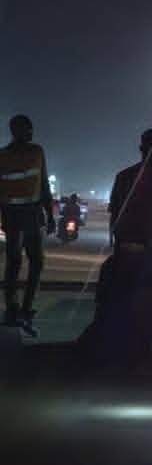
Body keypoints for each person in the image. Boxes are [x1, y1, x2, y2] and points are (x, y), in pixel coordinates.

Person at [83, 128, 152, 366]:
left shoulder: (123, 176)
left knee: (117, 300)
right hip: (151, 252)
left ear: (140, 147)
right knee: (150, 306)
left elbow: (115, 214)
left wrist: (117, 244)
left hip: (125, 248)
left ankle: (113, 347)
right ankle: (137, 350)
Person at [0, 114, 55, 333]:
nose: (31, 132)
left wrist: (50, 215)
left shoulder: (36, 152)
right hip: (18, 215)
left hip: (27, 214)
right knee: (17, 262)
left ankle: (23, 307)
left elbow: (43, 184)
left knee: (33, 262)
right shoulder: (6, 156)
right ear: (16, 131)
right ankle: (14, 308)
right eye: (27, 129)